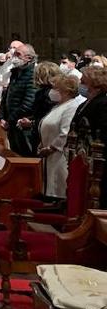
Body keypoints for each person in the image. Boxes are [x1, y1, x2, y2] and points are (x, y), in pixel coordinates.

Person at [36, 74, 84, 200]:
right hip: (49, 154)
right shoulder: (58, 105)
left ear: (66, 90)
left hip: (59, 154)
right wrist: (42, 143)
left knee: (57, 187)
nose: (52, 91)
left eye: (56, 88)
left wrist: (51, 148)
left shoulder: (72, 106)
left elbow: (65, 132)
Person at [70, 66, 107, 208]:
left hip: (95, 157)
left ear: (95, 83)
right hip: (80, 152)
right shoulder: (86, 102)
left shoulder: (103, 103)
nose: (80, 83)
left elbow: (101, 131)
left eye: (83, 81)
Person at [0, 43, 38, 156]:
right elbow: (6, 95)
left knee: (26, 157)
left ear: (29, 58)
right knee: (15, 156)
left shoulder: (32, 74)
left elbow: (28, 103)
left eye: (18, 54)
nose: (14, 56)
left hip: (22, 125)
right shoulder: (15, 72)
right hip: (12, 124)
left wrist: (10, 120)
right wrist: (1, 116)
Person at [20, 61, 60, 136]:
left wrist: (30, 123)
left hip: (44, 133)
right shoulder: (60, 90)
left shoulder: (43, 94)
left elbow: (45, 115)